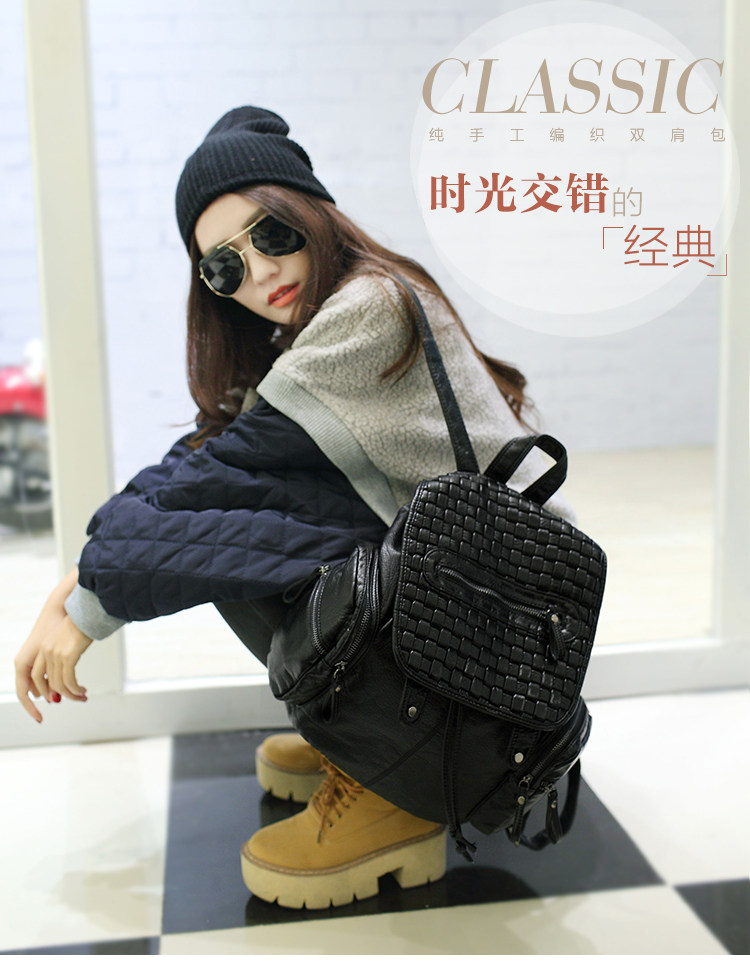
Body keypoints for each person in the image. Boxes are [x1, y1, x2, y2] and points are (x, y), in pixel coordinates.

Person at [14, 106, 574, 910]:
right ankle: (373, 745)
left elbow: (220, 482)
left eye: (270, 233)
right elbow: (198, 464)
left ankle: (401, 790)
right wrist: (82, 575)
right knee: (233, 529)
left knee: (233, 543)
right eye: (223, 267)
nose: (258, 270)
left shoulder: (369, 310)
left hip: (501, 652)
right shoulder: (319, 327)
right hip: (472, 622)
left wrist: (86, 602)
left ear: (311, 212)